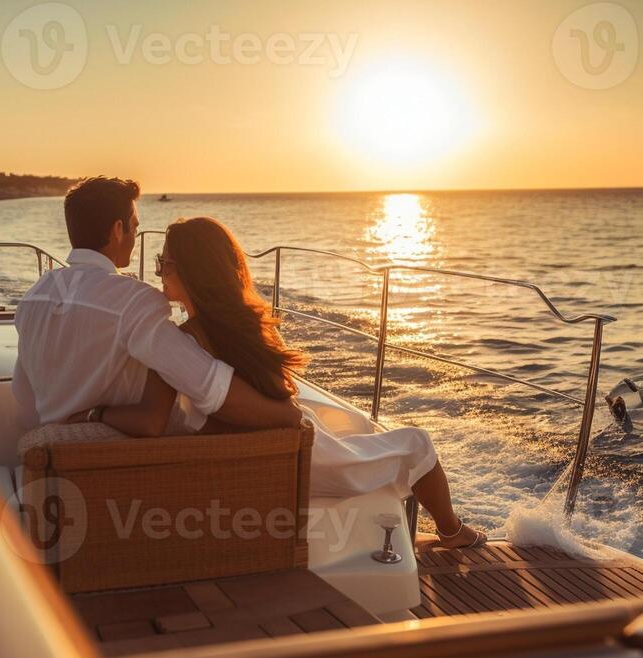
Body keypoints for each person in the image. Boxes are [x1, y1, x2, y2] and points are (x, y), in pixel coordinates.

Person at [84, 215, 487, 549]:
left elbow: (151, 419)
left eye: (164, 263)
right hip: (299, 451)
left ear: (192, 270)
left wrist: (95, 409)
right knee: (417, 443)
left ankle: (448, 531)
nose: (158, 271)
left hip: (290, 450)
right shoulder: (245, 326)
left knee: (388, 439)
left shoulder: (181, 342)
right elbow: (282, 400)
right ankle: (453, 532)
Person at [12, 178, 301, 437]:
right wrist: (287, 415)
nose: (136, 238)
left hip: (53, 453)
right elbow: (207, 385)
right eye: (135, 227)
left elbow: (25, 406)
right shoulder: (133, 301)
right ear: (117, 229)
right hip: (120, 458)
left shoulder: (32, 298)